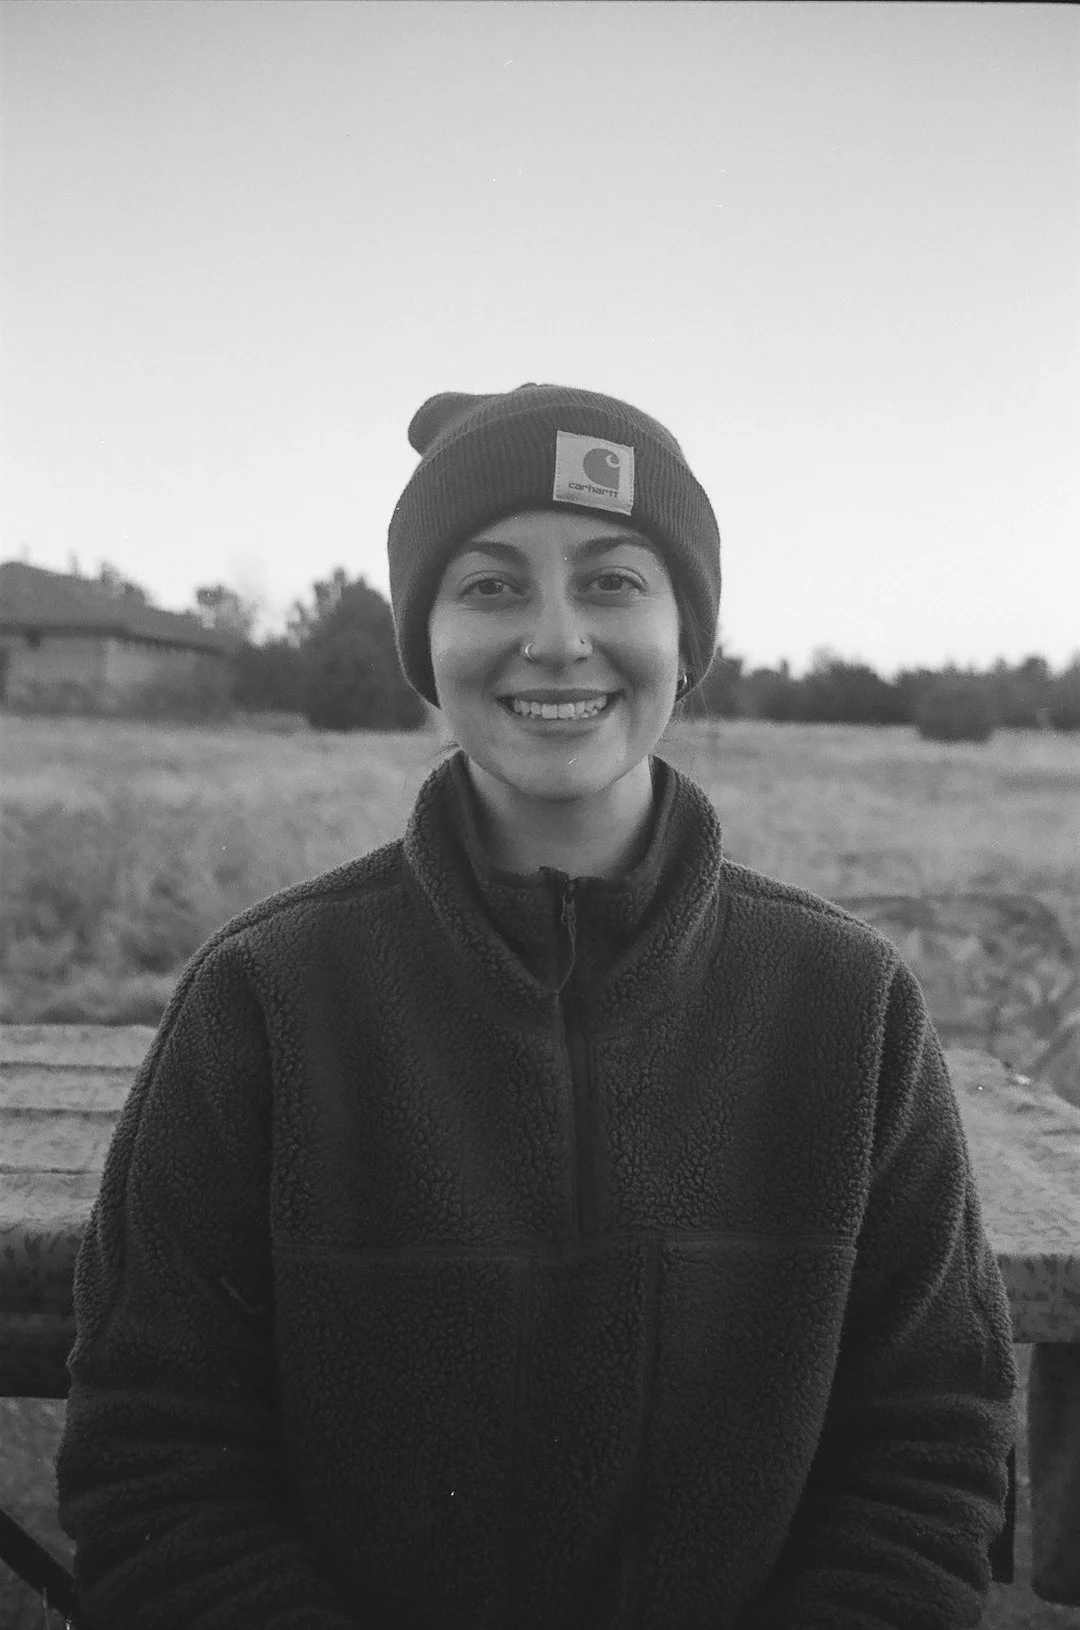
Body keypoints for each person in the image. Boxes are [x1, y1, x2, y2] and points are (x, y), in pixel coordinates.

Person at [57, 383, 1019, 1629]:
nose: (556, 638)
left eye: (615, 581)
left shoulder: (849, 1009)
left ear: (689, 638)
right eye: (493, 584)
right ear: (426, 640)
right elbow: (156, 1457)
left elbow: (934, 1449)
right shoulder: (267, 1000)